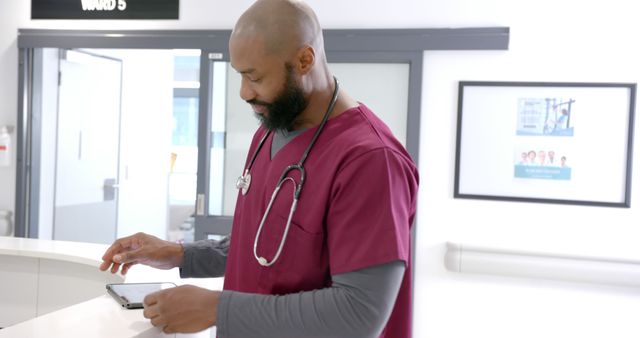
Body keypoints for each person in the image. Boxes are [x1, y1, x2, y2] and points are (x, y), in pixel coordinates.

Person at [99, 1, 419, 337]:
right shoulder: (271, 130)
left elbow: (359, 314)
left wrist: (215, 307)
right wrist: (180, 254)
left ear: (304, 60)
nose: (244, 92)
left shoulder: (370, 160)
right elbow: (269, 248)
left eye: (255, 77)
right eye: (240, 74)